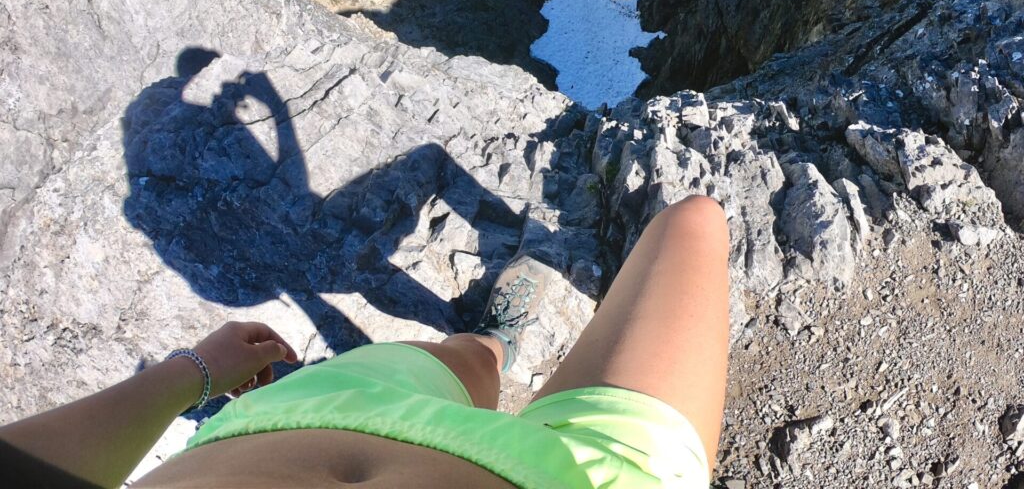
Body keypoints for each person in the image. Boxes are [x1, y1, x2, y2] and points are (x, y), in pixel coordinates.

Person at [0, 195, 729, 488]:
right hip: (581, 479)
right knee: (693, 225)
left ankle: (490, 346)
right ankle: (490, 354)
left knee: (462, 359)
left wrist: (193, 372)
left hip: (304, 416)